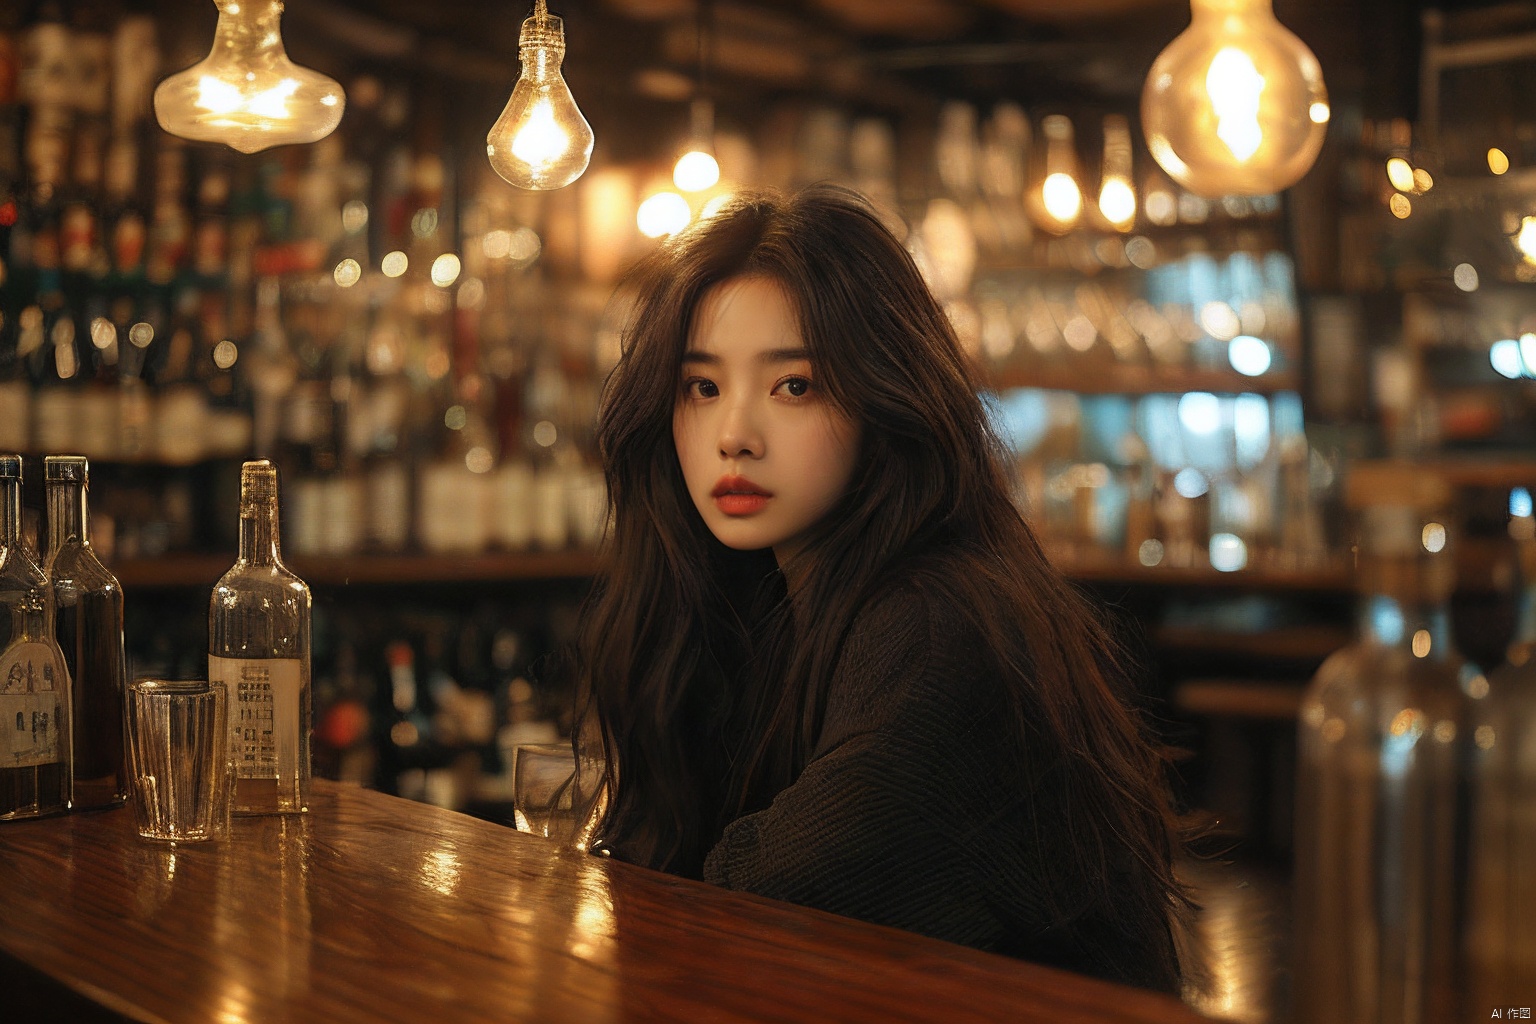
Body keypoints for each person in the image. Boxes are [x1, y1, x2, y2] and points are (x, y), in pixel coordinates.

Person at [572, 184, 1191, 993]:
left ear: (884, 396)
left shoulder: (943, 626)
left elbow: (769, 905)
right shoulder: (762, 604)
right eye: (703, 388)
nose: (734, 436)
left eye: (794, 386)